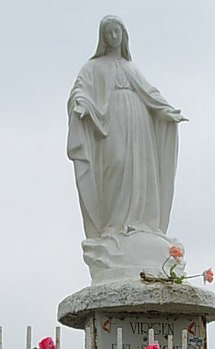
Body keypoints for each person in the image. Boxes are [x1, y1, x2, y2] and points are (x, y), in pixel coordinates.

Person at [67, 16, 186, 278]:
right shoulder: (93, 67)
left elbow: (150, 93)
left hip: (139, 121)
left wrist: (168, 111)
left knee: (140, 171)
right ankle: (114, 227)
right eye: (108, 33)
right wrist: (81, 104)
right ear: (102, 37)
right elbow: (80, 90)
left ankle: (140, 224)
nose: (113, 37)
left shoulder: (130, 67)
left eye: (117, 32)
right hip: (110, 123)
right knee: (117, 166)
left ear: (124, 35)